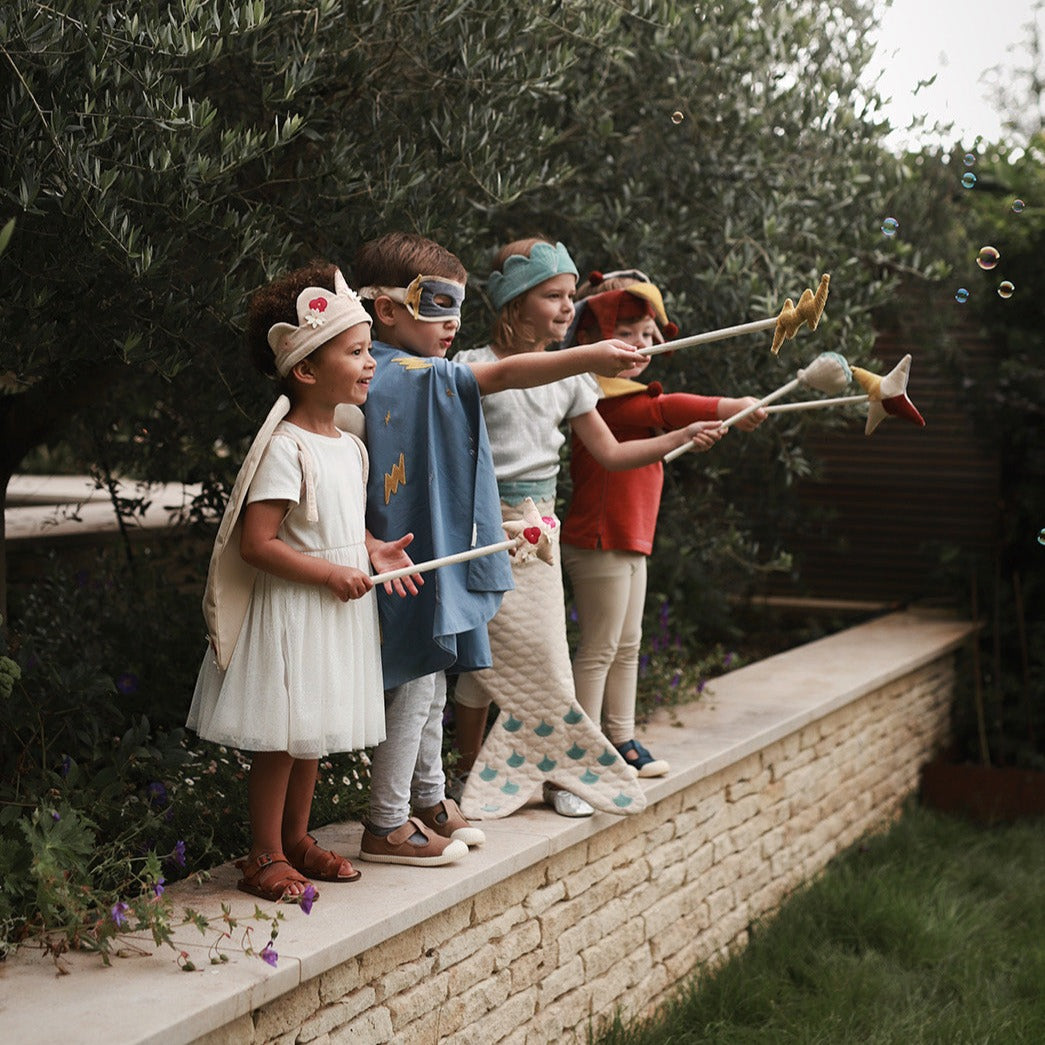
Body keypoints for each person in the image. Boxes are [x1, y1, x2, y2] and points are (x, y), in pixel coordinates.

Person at [350, 232, 652, 861]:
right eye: (435, 304)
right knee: (416, 680)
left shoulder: (414, 372)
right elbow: (509, 372)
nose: (452, 322)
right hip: (400, 557)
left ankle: (429, 798)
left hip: (428, 552)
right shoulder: (399, 373)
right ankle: (384, 822)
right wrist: (588, 356)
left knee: (434, 680)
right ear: (386, 309)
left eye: (458, 306)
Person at [450, 239, 726, 816]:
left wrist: (680, 437)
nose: (567, 307)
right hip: (483, 528)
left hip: (539, 535)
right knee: (480, 664)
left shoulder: (575, 381)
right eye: (553, 295)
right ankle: (468, 769)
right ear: (513, 303)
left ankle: (559, 778)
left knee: (548, 656)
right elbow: (506, 381)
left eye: (572, 297)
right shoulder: (470, 366)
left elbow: (611, 453)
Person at [187, 261, 419, 902]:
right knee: (282, 738)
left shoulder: (350, 445)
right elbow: (258, 543)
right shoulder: (287, 447)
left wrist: (371, 549)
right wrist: (331, 571)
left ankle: (296, 839)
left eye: (369, 348)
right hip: (292, 611)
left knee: (311, 732)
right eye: (356, 351)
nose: (371, 362)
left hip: (332, 606)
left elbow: (337, 525)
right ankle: (261, 852)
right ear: (308, 370)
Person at [560, 268, 767, 778]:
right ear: (591, 341)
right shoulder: (605, 399)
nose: (640, 344)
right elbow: (669, 407)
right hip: (599, 538)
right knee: (600, 647)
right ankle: (580, 751)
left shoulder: (630, 401)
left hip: (629, 540)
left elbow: (664, 410)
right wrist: (731, 405)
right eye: (626, 333)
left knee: (627, 643)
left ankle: (622, 739)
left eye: (649, 336)